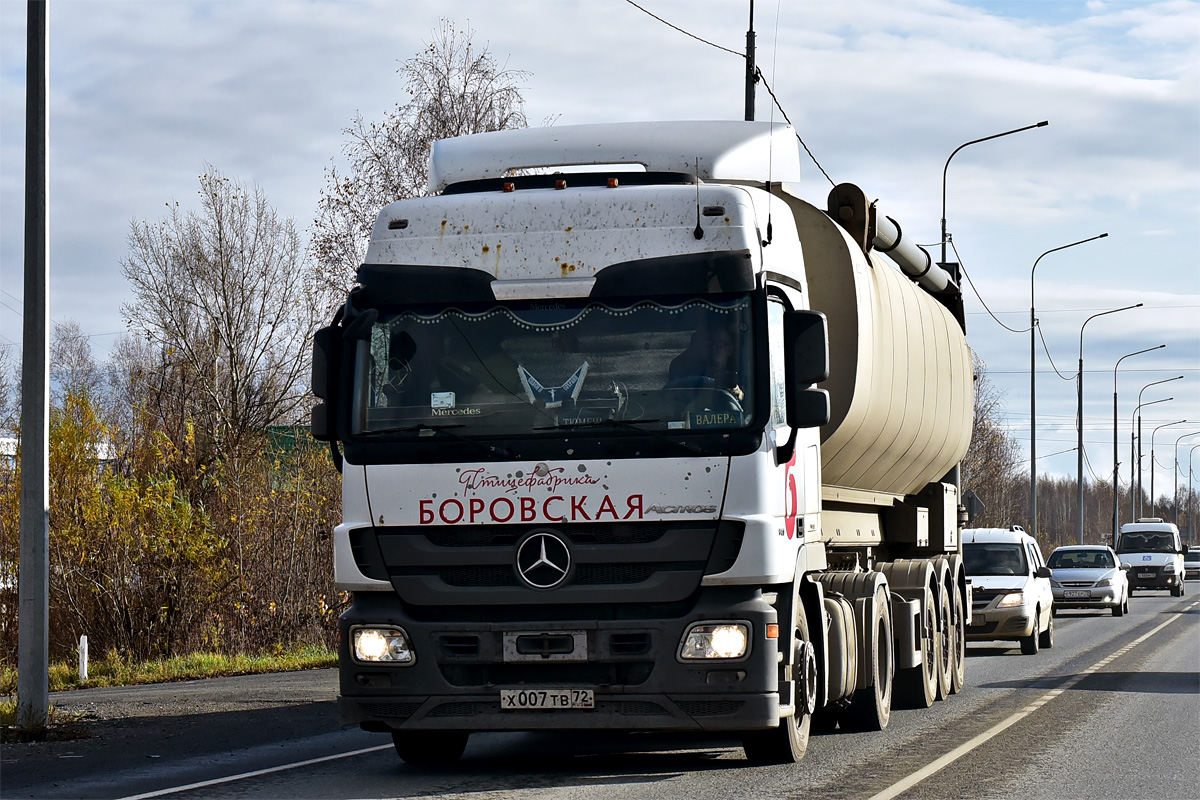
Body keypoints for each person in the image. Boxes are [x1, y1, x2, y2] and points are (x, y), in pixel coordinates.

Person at [666, 327, 744, 401]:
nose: (714, 348)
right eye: (709, 343)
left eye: (720, 344)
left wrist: (738, 394)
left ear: (730, 349)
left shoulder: (740, 372)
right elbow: (669, 398)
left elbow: (747, 398)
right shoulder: (685, 369)